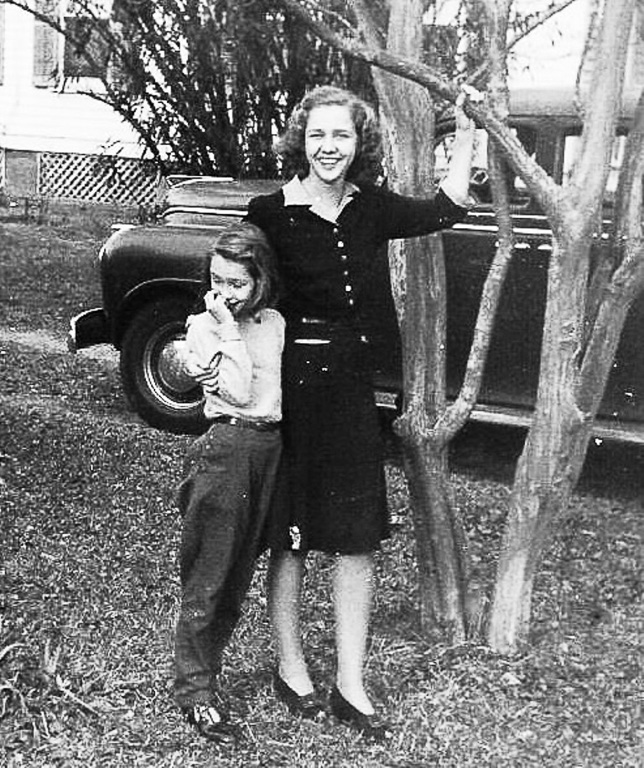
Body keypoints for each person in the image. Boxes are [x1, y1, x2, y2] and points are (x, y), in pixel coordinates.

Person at [246, 85, 475, 739]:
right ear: (300, 140)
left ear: (357, 144)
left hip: (350, 392)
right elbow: (234, 290)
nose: (328, 147)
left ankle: (351, 681)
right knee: (289, 539)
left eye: (341, 136)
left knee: (356, 540)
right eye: (317, 135)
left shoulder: (371, 209)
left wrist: (464, 129)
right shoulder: (269, 212)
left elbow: (448, 208)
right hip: (289, 393)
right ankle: (291, 668)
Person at [173, 222, 285, 743]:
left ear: (260, 281)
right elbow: (238, 392)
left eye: (238, 283)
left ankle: (207, 674)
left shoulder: (276, 323)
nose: (225, 293)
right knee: (209, 577)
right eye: (217, 281)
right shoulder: (204, 327)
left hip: (269, 451)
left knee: (239, 579)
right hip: (226, 449)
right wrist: (226, 325)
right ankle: (193, 691)